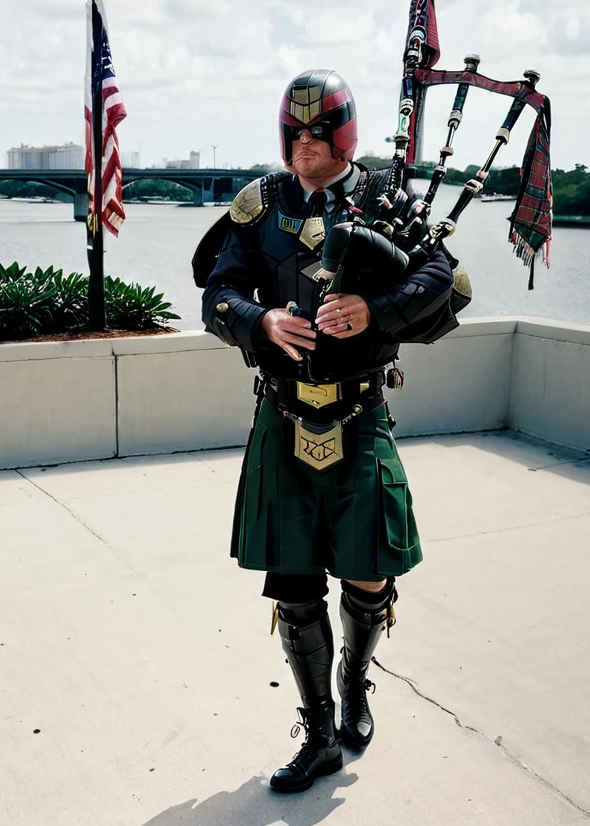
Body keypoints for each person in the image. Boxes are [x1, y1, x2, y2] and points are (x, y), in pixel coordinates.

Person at [193, 68, 464, 793]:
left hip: (360, 409)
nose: (304, 145)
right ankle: (317, 733)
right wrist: (259, 320)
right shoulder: (260, 205)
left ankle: (354, 684)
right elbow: (216, 293)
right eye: (294, 132)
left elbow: (443, 281)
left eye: (317, 132)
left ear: (343, 134)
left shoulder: (385, 200)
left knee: (368, 573)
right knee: (292, 580)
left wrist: (376, 311)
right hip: (282, 415)